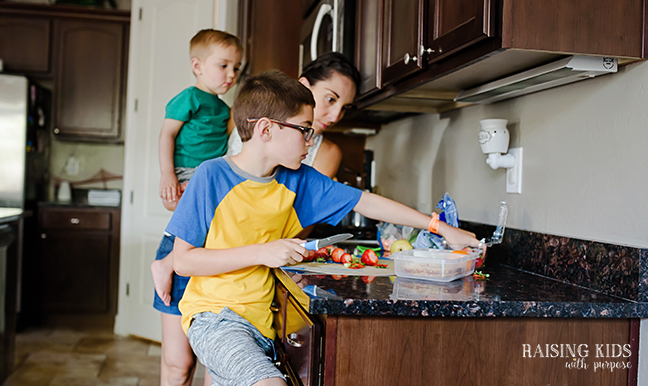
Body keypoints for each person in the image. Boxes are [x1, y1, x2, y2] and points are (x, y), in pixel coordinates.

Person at [166, 70, 484, 385]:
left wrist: (439, 226)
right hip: (215, 317)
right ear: (266, 129)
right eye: (304, 129)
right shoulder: (211, 176)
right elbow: (183, 262)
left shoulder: (298, 179)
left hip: (263, 324)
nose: (311, 138)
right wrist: (263, 252)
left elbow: (366, 202)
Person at [151, 28, 243, 386]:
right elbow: (167, 135)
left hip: (210, 174)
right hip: (187, 171)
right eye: (223, 65)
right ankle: (168, 262)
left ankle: (169, 262)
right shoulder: (188, 98)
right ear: (197, 65)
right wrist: (167, 175)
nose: (231, 74)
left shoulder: (226, 110)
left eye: (236, 67)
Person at [227, 52, 360, 179]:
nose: (335, 117)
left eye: (344, 108)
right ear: (304, 86)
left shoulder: (329, 153)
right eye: (330, 99)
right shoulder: (244, 111)